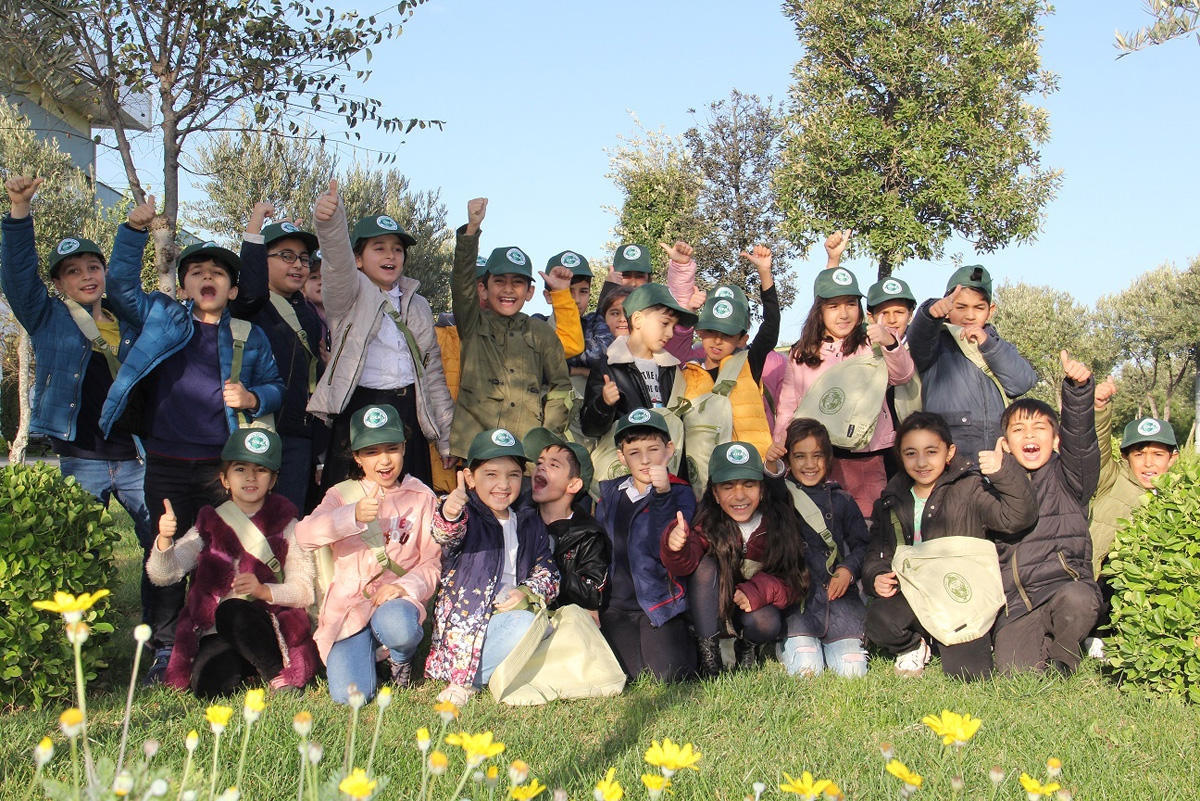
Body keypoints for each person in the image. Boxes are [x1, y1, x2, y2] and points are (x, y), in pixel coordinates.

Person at [101, 236, 284, 683]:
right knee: (163, 552)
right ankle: (164, 646)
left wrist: (254, 396)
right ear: (183, 286)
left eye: (218, 273)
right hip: (164, 461)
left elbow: (277, 385)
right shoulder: (162, 317)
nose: (208, 277)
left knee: (219, 556)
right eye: (197, 271)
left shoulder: (248, 335)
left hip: (221, 468)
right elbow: (121, 286)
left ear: (233, 291)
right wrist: (132, 231)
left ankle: (213, 635)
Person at [1, 175, 153, 626]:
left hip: (136, 457)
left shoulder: (129, 320)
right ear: (60, 283)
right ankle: (79, 637)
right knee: (77, 550)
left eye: (92, 267)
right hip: (81, 457)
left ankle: (163, 639)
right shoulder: (46, 316)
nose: (86, 276)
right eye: (73, 271)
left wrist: (132, 230)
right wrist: (19, 210)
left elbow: (128, 275)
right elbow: (17, 274)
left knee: (160, 547)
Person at [862, 412, 1037, 680]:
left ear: (949, 452)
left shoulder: (970, 488)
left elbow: (1017, 517)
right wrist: (876, 575)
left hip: (958, 597)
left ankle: (948, 640)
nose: (921, 462)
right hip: (913, 593)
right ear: (899, 455)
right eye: (910, 453)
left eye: (931, 451)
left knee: (969, 674)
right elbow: (879, 550)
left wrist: (1004, 473)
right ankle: (914, 645)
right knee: (878, 621)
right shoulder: (891, 499)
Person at [147, 428, 318, 697]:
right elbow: (164, 574)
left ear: (273, 480)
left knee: (233, 611)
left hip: (267, 624)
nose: (250, 477)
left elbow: (304, 590)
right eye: (240, 469)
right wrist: (165, 541)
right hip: (218, 628)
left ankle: (278, 677)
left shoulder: (288, 525)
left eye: (261, 470)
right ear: (224, 479)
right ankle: (247, 666)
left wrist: (264, 591)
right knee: (208, 685)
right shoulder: (209, 523)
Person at [308, 180, 455, 491]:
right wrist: (330, 223)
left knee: (410, 508)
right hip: (358, 407)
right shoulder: (348, 295)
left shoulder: (418, 305)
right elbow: (336, 265)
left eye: (397, 249)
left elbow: (433, 375)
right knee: (350, 506)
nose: (391, 255)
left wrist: (446, 438)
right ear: (358, 259)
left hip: (406, 414)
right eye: (379, 247)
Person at [295, 403, 442, 703]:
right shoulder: (341, 494)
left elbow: (431, 562)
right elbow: (305, 535)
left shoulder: (422, 496)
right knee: (352, 697)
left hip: (396, 603)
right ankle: (373, 656)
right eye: (372, 452)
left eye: (392, 449)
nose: (384, 461)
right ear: (357, 457)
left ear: (404, 448)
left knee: (398, 627)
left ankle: (399, 657)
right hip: (349, 609)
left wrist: (403, 587)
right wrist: (351, 516)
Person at [772, 232, 916, 519]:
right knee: (823, 524)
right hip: (822, 456)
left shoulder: (872, 345)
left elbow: (902, 376)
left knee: (869, 525)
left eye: (851, 304)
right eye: (833, 306)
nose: (844, 313)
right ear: (819, 311)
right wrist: (781, 441)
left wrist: (890, 343)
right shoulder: (802, 353)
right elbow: (789, 403)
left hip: (869, 455)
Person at [425, 428, 559, 707]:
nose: (503, 484)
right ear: (470, 478)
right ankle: (465, 680)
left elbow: (548, 571)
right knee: (525, 626)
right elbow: (445, 533)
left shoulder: (528, 521)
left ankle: (496, 669)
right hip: (466, 625)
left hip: (506, 615)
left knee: (540, 624)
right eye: (491, 475)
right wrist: (450, 512)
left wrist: (525, 592)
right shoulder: (466, 514)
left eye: (512, 475)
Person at [992, 352, 1102, 675]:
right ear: (1005, 443)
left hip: (1066, 588)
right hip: (1020, 604)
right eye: (1019, 430)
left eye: (1039, 428)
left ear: (1055, 440)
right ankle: (1048, 642)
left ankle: (1067, 652)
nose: (1029, 436)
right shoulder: (993, 486)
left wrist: (1078, 392)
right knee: (1013, 671)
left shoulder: (1070, 477)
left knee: (1078, 603)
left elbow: (1081, 443)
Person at [661, 442, 809, 677]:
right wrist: (675, 547)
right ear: (715, 495)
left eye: (749, 485)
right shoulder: (707, 524)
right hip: (713, 610)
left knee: (767, 623)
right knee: (704, 567)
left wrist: (758, 591)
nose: (739, 495)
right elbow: (685, 564)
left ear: (762, 490)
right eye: (728, 486)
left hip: (753, 608)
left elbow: (795, 581)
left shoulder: (777, 524)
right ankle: (709, 656)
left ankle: (747, 646)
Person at [449, 198, 573, 457]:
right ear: (483, 288)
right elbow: (461, 284)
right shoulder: (472, 324)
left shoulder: (541, 334)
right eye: (500, 281)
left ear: (529, 292)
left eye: (517, 282)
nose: (508, 290)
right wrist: (471, 230)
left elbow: (560, 387)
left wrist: (547, 440)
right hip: (477, 450)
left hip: (527, 451)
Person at [231, 207, 325, 511]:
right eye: (286, 256)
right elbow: (250, 286)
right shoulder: (252, 305)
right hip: (262, 427)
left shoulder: (307, 312)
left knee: (290, 520)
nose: (297, 265)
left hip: (301, 433)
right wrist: (256, 224)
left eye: (303, 258)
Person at [594, 410, 697, 682]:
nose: (645, 459)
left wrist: (662, 495)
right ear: (621, 456)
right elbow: (600, 553)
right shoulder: (610, 496)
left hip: (658, 603)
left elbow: (662, 548)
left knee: (666, 675)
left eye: (653, 449)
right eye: (634, 451)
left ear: (669, 450)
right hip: (617, 606)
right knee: (629, 675)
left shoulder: (681, 493)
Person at [906, 264, 1038, 462]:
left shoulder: (997, 345)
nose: (969, 315)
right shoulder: (936, 343)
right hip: (949, 456)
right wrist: (930, 313)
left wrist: (988, 345)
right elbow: (917, 339)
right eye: (960, 307)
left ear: (991, 310)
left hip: (994, 458)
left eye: (978, 307)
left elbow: (1021, 382)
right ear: (948, 308)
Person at [771, 418, 870, 677]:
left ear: (828, 458)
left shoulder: (843, 500)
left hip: (839, 602)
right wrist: (770, 466)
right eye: (800, 456)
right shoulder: (782, 496)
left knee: (853, 672)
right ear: (788, 460)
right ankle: (787, 644)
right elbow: (765, 490)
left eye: (817, 455)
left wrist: (848, 569)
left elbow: (863, 545)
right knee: (807, 670)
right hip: (799, 602)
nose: (809, 464)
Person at [679, 245, 780, 462]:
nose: (717, 340)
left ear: (742, 339)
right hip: (707, 475)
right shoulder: (687, 373)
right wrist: (689, 311)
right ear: (700, 332)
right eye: (711, 332)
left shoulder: (747, 363)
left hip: (752, 468)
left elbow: (771, 327)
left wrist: (764, 273)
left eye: (727, 335)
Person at [580, 282, 699, 436]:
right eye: (664, 323)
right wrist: (603, 404)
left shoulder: (672, 369)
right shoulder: (608, 366)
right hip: (624, 454)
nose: (670, 333)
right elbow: (590, 429)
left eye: (673, 326)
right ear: (637, 320)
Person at [1089, 379, 1179, 579]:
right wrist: (1099, 408)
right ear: (1125, 456)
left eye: (1158, 454)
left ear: (1172, 458)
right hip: (1097, 579)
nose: (1148, 463)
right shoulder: (1112, 477)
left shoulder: (1179, 500)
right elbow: (1098, 444)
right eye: (1139, 454)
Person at [524, 427, 609, 613]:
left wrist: (549, 569)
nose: (541, 467)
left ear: (574, 484)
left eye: (554, 465)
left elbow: (593, 593)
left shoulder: (588, 535)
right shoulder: (519, 520)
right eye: (539, 462)